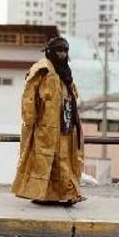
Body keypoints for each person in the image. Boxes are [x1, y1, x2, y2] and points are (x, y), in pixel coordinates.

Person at [11, 36, 85, 206]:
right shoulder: (41, 69)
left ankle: (66, 194)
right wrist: (30, 122)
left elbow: (73, 94)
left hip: (65, 124)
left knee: (64, 160)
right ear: (51, 51)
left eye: (65, 51)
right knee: (45, 161)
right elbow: (29, 97)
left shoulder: (65, 70)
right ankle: (44, 195)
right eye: (59, 50)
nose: (62, 54)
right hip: (45, 125)